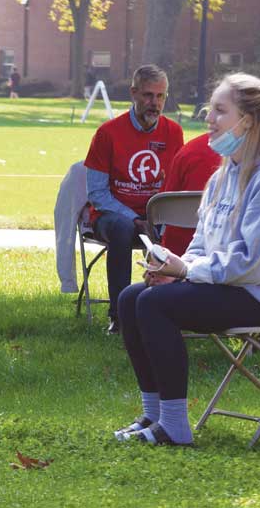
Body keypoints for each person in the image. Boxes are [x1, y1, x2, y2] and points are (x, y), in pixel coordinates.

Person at [113, 73, 260, 446]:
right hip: (236, 286)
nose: (209, 118)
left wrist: (189, 271)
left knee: (156, 305)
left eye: (220, 111)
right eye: (211, 109)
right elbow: (202, 242)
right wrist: (173, 267)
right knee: (131, 298)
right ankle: (154, 414)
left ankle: (175, 427)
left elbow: (257, 265)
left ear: (249, 121)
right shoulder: (225, 176)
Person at [84, 64, 183, 334]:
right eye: (148, 96)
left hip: (156, 216)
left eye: (161, 96)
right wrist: (136, 219)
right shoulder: (108, 133)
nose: (155, 103)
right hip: (113, 217)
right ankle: (119, 315)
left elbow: (175, 183)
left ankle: (176, 308)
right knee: (122, 228)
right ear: (133, 93)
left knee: (186, 225)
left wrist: (160, 217)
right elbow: (97, 193)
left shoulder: (173, 132)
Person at [159, 133, 221, 256]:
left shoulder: (190, 150)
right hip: (223, 247)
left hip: (177, 248)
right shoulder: (254, 155)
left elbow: (164, 201)